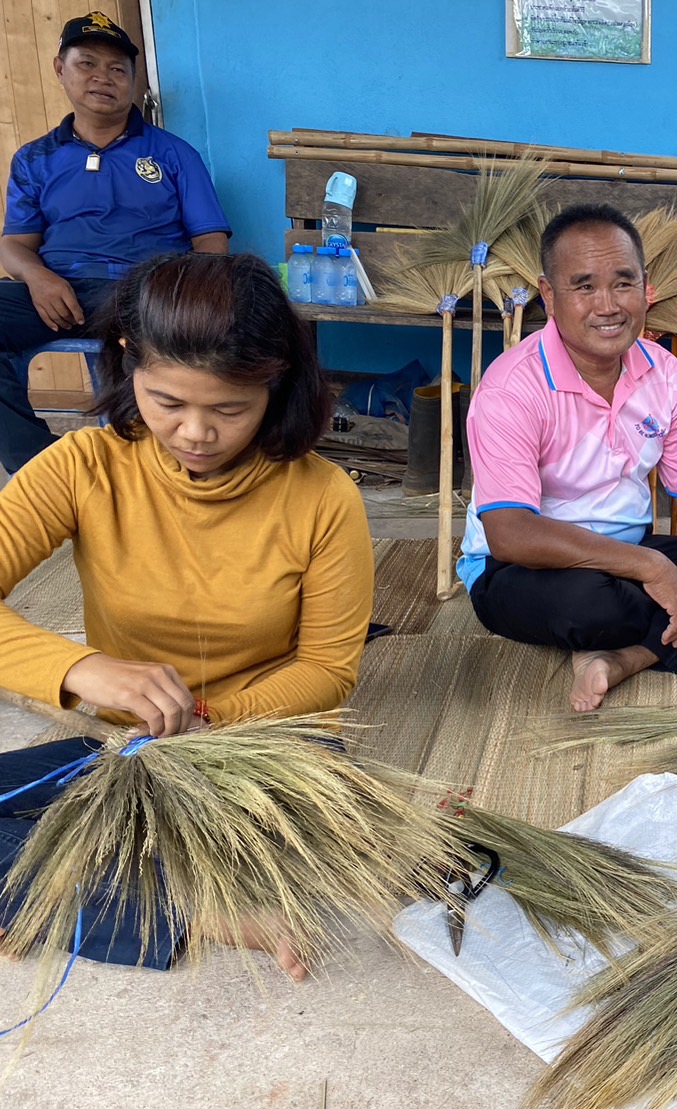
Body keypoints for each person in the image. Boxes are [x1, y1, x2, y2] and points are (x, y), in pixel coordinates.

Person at [0, 252, 374, 978]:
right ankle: (189, 910)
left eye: (229, 408)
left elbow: (329, 669)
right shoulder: (83, 467)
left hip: (268, 752)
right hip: (128, 749)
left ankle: (60, 897)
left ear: (276, 384)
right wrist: (80, 669)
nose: (195, 432)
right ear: (125, 362)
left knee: (281, 832)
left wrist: (210, 714)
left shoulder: (324, 497)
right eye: (167, 402)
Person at [458, 203, 677, 712]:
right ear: (549, 296)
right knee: (588, 603)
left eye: (623, 282)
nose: (608, 305)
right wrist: (653, 568)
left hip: (626, 556)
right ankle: (649, 632)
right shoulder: (511, 388)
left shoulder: (666, 374)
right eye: (584, 286)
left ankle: (624, 658)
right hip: (524, 571)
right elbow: (511, 533)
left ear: (645, 286)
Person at [0, 11, 230, 474]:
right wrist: (38, 277)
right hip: (56, 292)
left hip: (142, 291)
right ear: (59, 69)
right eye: (87, 63)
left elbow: (210, 240)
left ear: (133, 82)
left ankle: (147, 472)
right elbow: (14, 243)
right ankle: (43, 470)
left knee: (163, 362)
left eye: (118, 69)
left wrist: (185, 298)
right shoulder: (36, 159)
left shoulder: (171, 153)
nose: (103, 78)